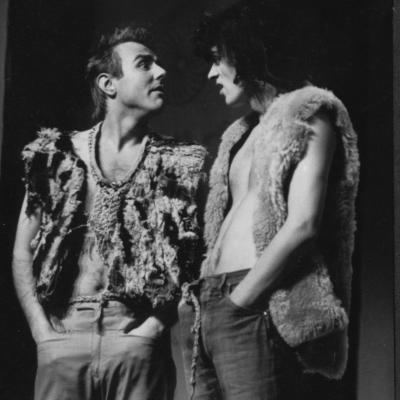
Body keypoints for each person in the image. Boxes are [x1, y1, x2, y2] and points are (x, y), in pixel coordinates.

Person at [12, 25, 207, 400]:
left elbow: (193, 257)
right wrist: (41, 332)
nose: (161, 72)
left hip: (135, 335)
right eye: (145, 64)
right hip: (63, 332)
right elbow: (22, 248)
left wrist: (152, 329)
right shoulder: (55, 155)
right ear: (108, 84)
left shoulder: (179, 164)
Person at [179, 2, 359, 399]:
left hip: (252, 299)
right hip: (210, 300)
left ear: (243, 52)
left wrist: (242, 299)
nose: (211, 73)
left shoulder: (308, 112)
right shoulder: (241, 133)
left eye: (217, 59)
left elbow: (304, 223)